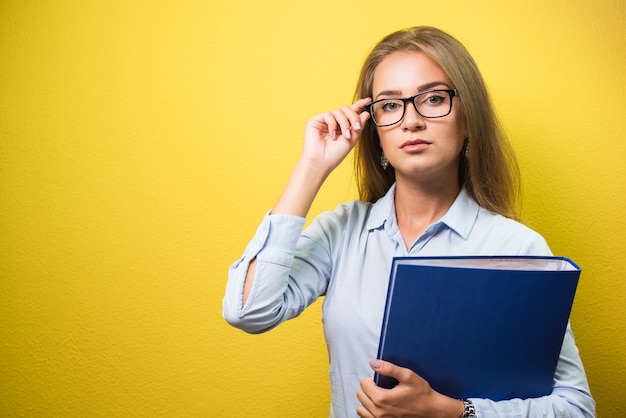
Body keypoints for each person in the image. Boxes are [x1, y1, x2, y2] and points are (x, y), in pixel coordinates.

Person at [222, 26, 595, 418]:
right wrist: (311, 167)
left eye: (433, 99)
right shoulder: (343, 231)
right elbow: (248, 311)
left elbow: (576, 408)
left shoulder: (518, 249)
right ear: (375, 130)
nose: (411, 120)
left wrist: (451, 411)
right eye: (389, 105)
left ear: (468, 119)